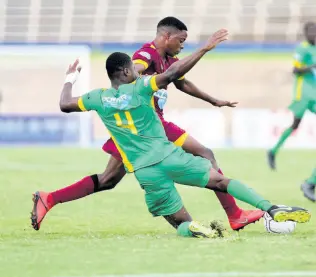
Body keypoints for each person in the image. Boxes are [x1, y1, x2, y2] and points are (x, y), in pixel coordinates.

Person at [31, 30, 311, 238]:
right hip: (165, 150)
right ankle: (265, 207)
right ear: (127, 70)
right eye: (181, 40)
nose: (182, 45)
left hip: (143, 168)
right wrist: (203, 49)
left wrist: (70, 77)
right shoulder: (141, 79)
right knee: (217, 175)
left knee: (169, 214)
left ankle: (197, 226)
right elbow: (166, 72)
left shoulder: (96, 97)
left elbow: (65, 104)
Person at [268, 22, 316, 170]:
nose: (313, 34)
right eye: (311, 32)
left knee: (296, 124)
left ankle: (272, 151)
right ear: (306, 33)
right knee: (295, 124)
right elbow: (295, 70)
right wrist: (311, 67)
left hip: (314, 92)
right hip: (302, 94)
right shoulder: (302, 49)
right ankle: (273, 151)